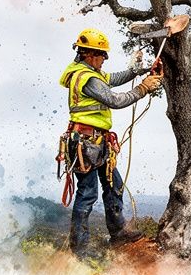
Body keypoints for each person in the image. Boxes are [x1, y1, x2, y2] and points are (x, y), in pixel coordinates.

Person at [59, 27, 163, 256]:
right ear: (88, 54)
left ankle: (118, 232)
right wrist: (143, 88)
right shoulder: (86, 77)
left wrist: (139, 70)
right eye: (101, 55)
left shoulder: (90, 72)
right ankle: (79, 251)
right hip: (85, 145)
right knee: (87, 194)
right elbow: (115, 100)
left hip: (96, 143)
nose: (104, 60)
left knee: (113, 186)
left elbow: (114, 79)